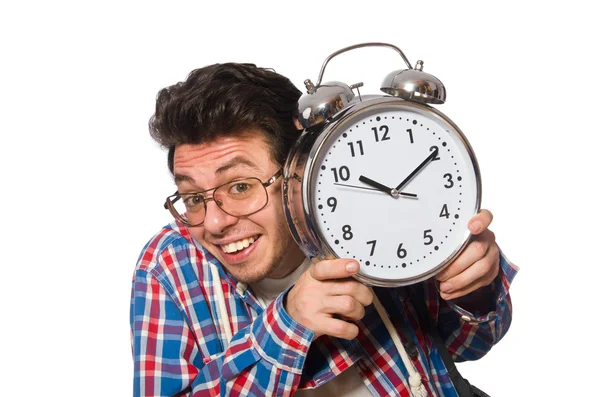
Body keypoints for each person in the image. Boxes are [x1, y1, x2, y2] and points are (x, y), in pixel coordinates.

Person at [130, 62, 518, 397]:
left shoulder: (375, 224)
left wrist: (475, 290)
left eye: (240, 187)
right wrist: (287, 325)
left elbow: (471, 344)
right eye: (194, 197)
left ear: (297, 174)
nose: (215, 223)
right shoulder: (167, 267)